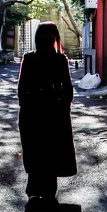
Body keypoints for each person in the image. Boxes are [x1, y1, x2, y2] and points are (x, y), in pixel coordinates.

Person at [16, 21, 77, 199]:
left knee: (35, 148)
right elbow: (68, 89)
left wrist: (26, 106)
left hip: (32, 110)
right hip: (53, 110)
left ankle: (34, 188)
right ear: (54, 38)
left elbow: (22, 88)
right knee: (51, 149)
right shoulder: (60, 60)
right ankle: (48, 189)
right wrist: (63, 108)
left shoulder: (29, 58)